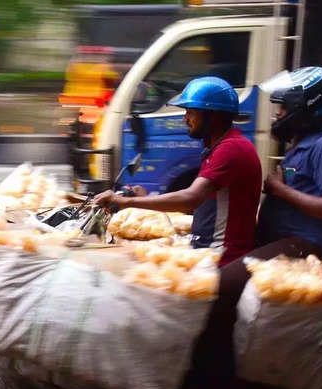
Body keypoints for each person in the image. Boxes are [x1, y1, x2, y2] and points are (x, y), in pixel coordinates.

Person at [187, 66, 322, 389]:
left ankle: (218, 387)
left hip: (307, 247)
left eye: (284, 106)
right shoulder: (305, 144)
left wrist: (280, 191)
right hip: (284, 242)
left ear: (309, 107)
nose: (278, 113)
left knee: (218, 288)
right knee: (216, 280)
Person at [93, 76, 262, 266]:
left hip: (220, 258)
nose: (185, 119)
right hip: (206, 252)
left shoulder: (231, 149)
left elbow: (191, 198)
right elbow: (198, 203)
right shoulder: (219, 147)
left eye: (191, 112)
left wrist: (124, 201)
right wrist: (146, 199)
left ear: (213, 115)